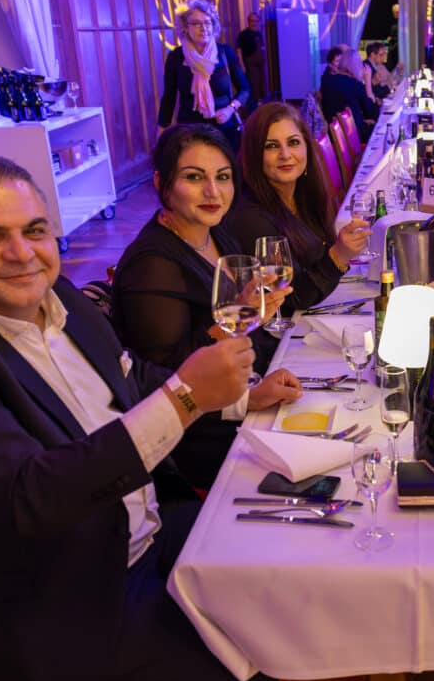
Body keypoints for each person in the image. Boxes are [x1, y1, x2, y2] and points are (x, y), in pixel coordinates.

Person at [0, 155, 278, 681]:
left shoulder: (59, 299)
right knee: (256, 667)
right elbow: (28, 495)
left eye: (35, 231)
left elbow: (131, 378)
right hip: (56, 608)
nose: (21, 253)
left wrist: (241, 397)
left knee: (286, 572)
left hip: (147, 532)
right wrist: (186, 397)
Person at [112, 125, 303, 488]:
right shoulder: (152, 266)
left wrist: (253, 320)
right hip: (201, 444)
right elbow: (161, 382)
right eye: (194, 177)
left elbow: (242, 330)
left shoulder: (216, 235)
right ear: (161, 183)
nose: (213, 191)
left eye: (223, 177)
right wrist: (246, 397)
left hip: (244, 402)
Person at [223, 102, 368, 311]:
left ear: (306, 147)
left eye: (293, 142)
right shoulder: (251, 218)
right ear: (254, 155)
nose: (285, 154)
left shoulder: (303, 195)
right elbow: (292, 299)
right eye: (271, 146)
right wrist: (338, 256)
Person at [158, 0, 250, 150]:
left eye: (208, 23)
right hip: (189, 133)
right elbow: (169, 98)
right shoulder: (176, 57)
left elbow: (245, 89)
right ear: (185, 27)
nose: (204, 28)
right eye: (196, 23)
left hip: (224, 130)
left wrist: (230, 109)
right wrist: (162, 129)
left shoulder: (224, 53)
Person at [319, 46, 377, 141]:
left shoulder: (329, 81)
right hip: (352, 137)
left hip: (334, 134)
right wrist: (368, 82)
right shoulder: (354, 83)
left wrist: (361, 120)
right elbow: (371, 113)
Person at [235, 12, 267, 112]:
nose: (254, 23)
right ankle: (251, 113)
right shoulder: (243, 34)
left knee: (260, 89)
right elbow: (239, 51)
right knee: (252, 90)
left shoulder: (259, 34)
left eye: (256, 21)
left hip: (260, 66)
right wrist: (242, 65)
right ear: (248, 22)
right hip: (249, 67)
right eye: (252, 21)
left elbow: (262, 48)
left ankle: (258, 110)